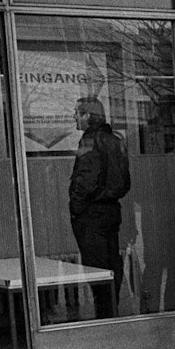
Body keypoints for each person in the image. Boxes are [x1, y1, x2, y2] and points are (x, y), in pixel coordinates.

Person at [70, 96, 131, 318]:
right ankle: (111, 312)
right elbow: (125, 181)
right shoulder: (115, 140)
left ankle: (105, 317)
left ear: (88, 116)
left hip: (92, 213)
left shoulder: (89, 141)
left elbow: (84, 179)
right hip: (111, 211)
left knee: (96, 270)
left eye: (77, 112)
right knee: (111, 265)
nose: (74, 117)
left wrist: (76, 208)